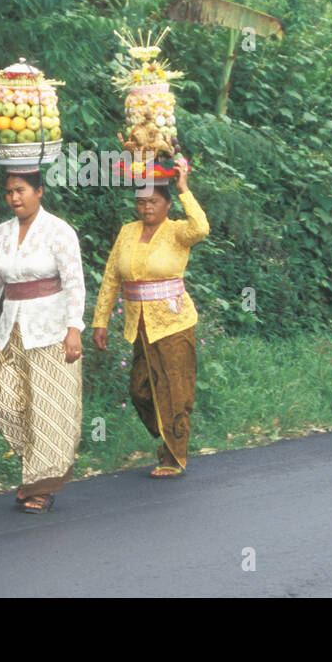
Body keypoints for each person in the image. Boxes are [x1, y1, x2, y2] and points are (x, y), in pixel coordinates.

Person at [0, 169, 85, 515]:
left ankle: (42, 485)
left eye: (20, 191)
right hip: (12, 328)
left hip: (51, 328)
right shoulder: (0, 234)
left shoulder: (59, 231)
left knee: (49, 408)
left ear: (39, 192)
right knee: (5, 405)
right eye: (9, 192)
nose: (14, 198)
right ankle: (36, 470)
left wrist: (74, 328)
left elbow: (75, 282)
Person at [91, 164, 209, 477]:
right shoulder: (127, 232)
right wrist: (99, 321)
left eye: (153, 201)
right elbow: (111, 277)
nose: (146, 207)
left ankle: (174, 455)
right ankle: (168, 431)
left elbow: (201, 228)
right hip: (140, 326)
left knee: (175, 388)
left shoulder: (177, 231)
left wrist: (184, 188)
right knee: (140, 389)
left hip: (173, 323)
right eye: (141, 201)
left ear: (167, 205)